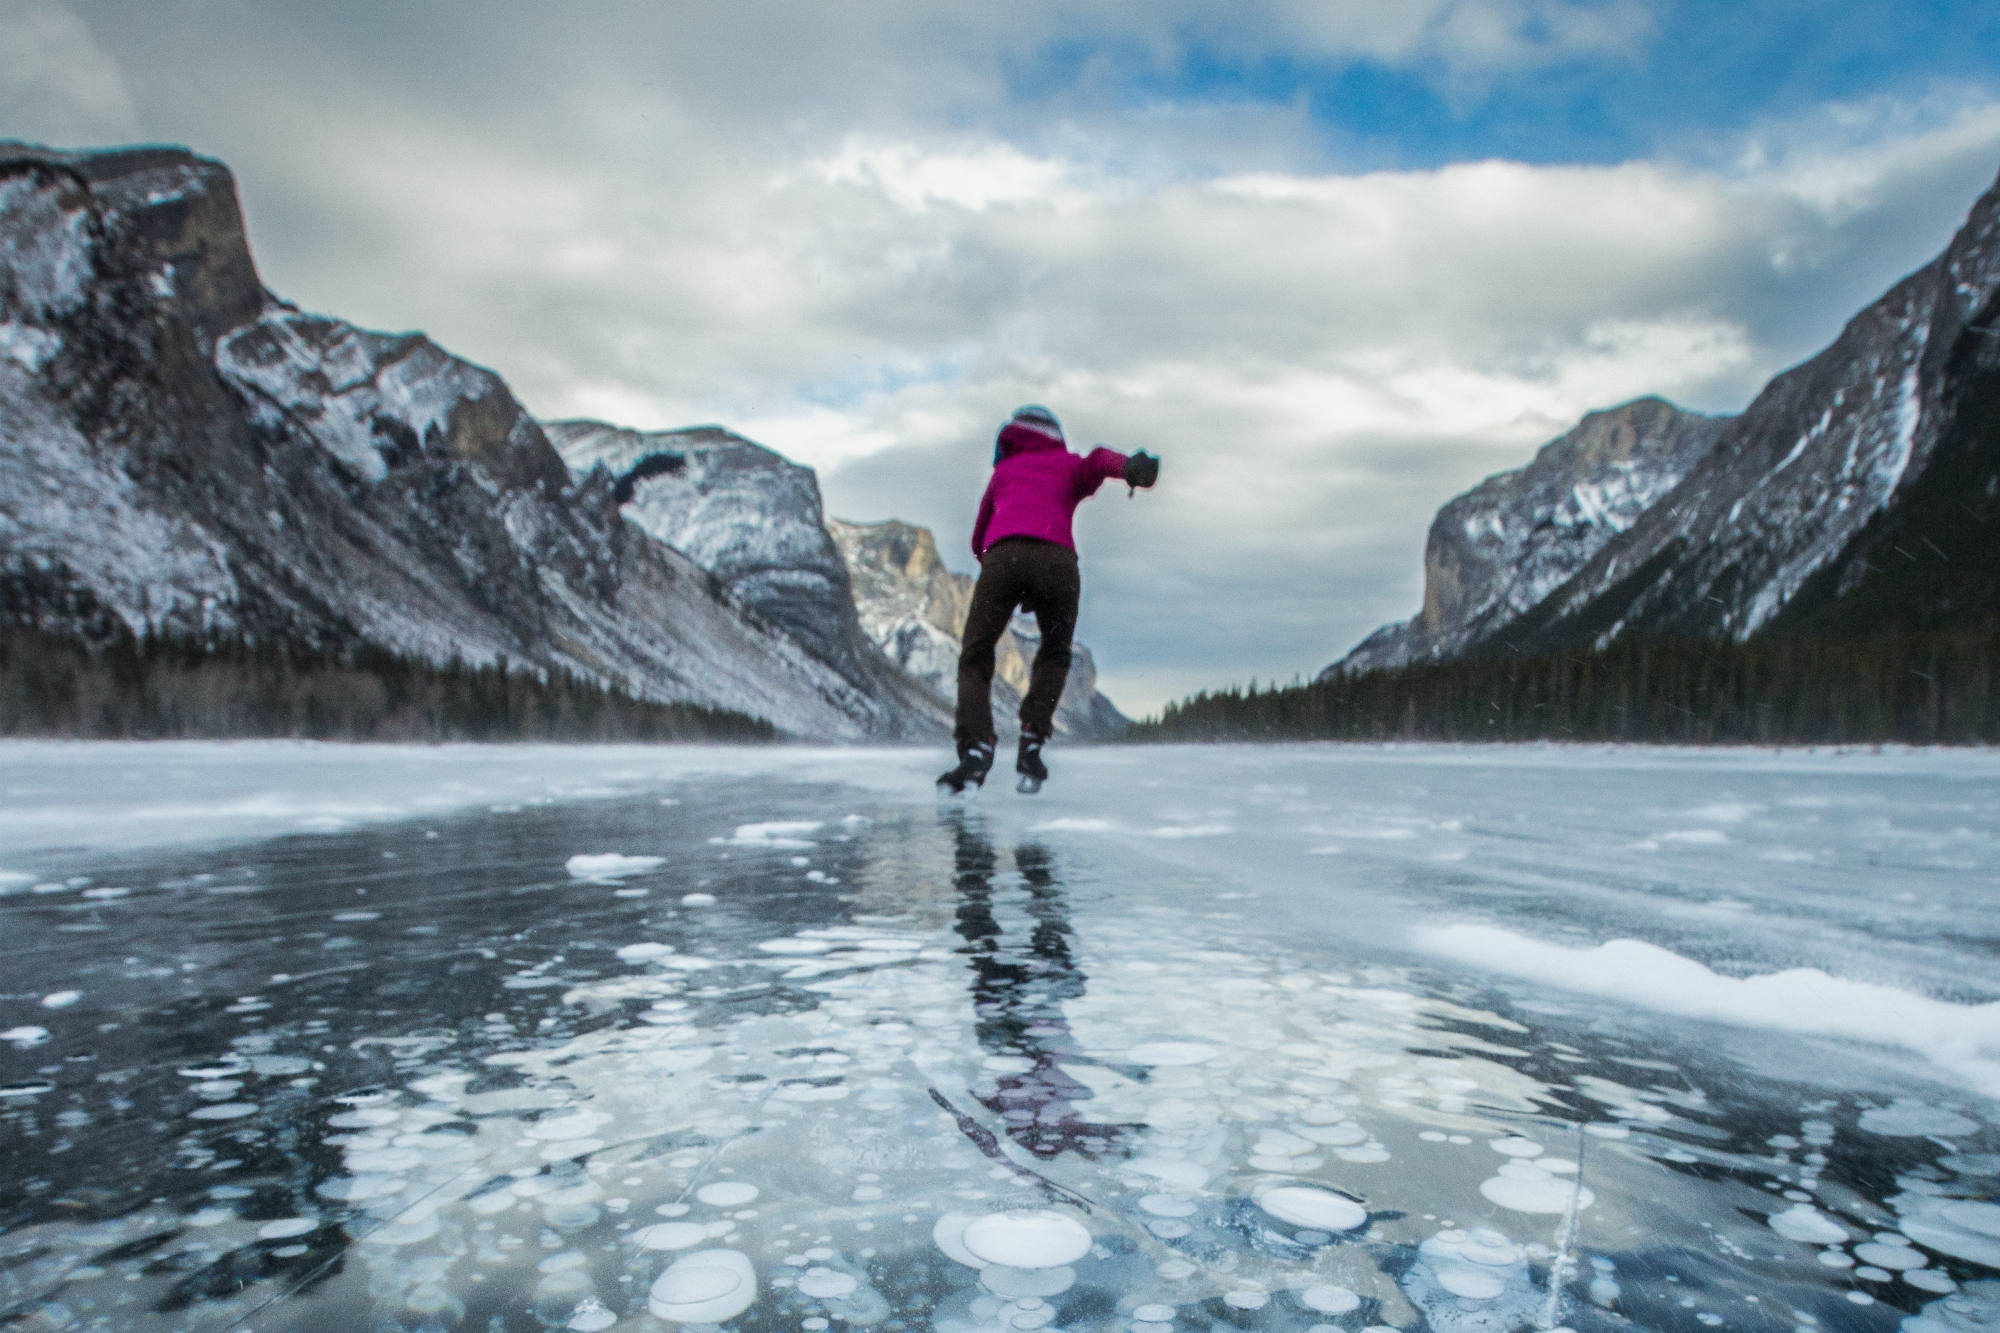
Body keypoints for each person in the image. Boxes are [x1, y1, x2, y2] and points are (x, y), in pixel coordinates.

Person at [938, 405, 1159, 793]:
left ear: (1009, 440)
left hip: (1003, 558)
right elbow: (1100, 459)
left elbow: (979, 535)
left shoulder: (1004, 472)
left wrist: (1001, 570)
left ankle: (974, 750)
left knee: (976, 653)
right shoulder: (1069, 465)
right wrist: (1130, 469)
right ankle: (1032, 744)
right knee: (1056, 652)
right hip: (1058, 564)